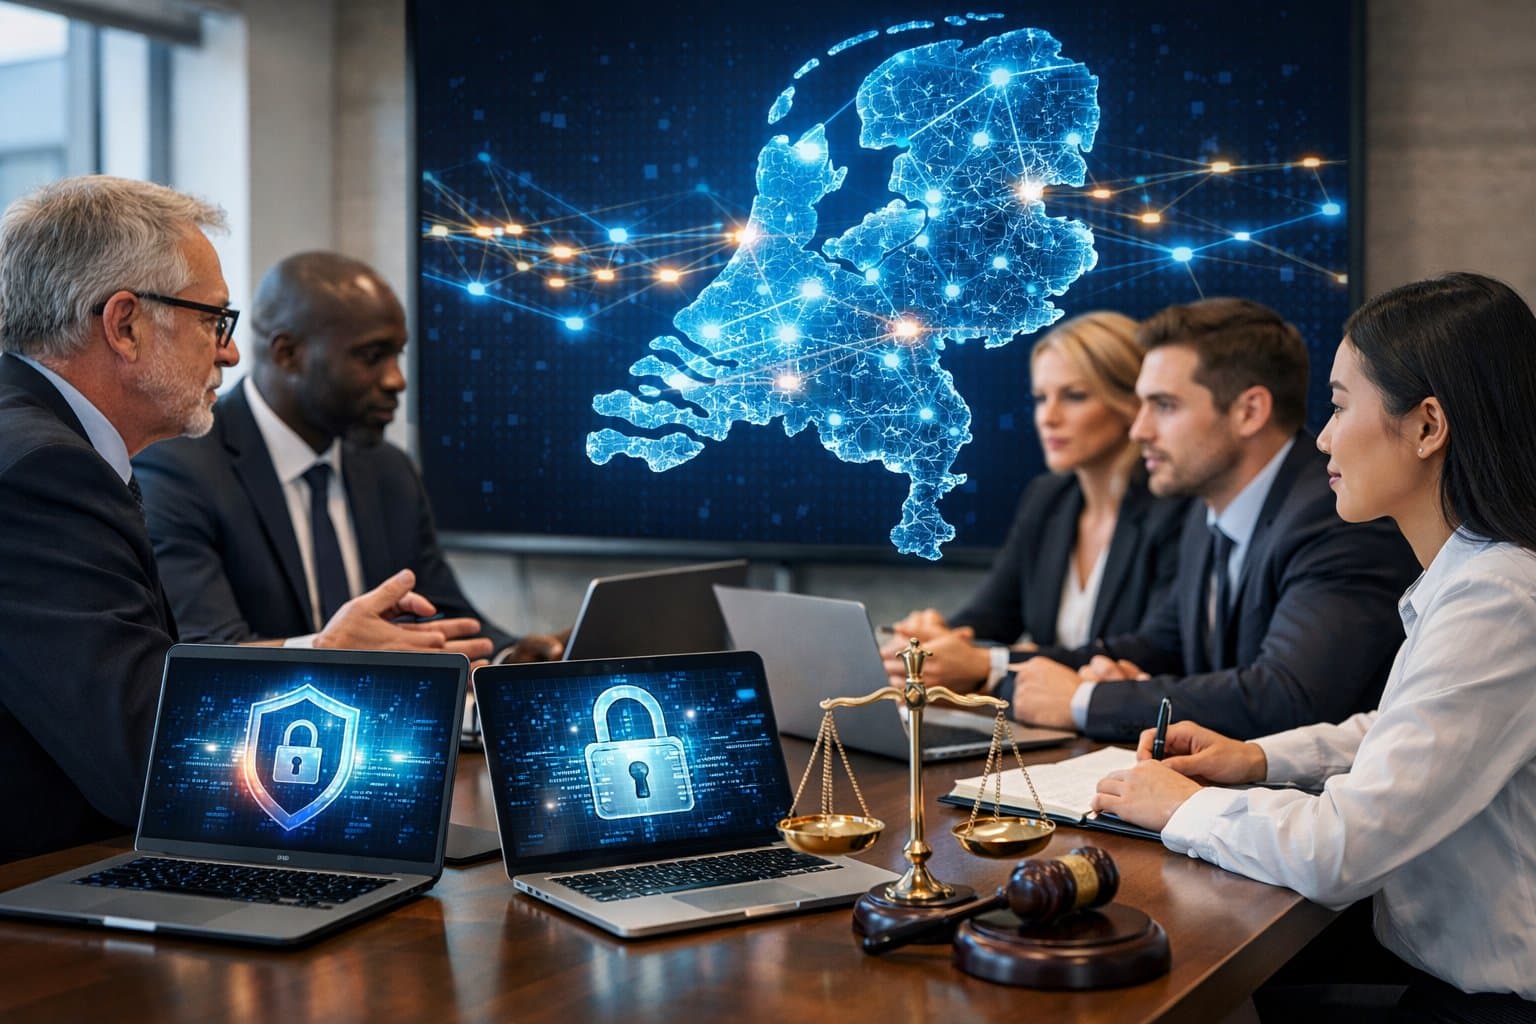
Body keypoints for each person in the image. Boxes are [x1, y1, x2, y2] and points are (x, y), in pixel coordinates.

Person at [0, 177, 491, 863]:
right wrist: (325, 666)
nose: (230, 353)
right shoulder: (42, 470)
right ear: (125, 325)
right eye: (213, 321)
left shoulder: (42, 446)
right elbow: (145, 750)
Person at [1094, 273, 1536, 1015]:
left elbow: (1339, 852)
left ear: (1428, 427)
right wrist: (1259, 758)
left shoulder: (1499, 597)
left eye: (1337, 406)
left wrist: (1181, 809)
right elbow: (1411, 727)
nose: (1323, 436)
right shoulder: (1475, 578)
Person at [1007, 298, 1418, 741]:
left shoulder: (1334, 514)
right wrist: (1109, 683)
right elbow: (1162, 645)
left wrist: (1083, 701)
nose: (1139, 430)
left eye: (1164, 406)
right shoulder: (1209, 506)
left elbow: (1287, 696)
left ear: (1249, 411)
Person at [133, 251, 562, 661]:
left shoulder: (388, 470)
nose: (396, 380)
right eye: (372, 357)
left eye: (397, 356)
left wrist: (514, 657)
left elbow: (442, 614)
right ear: (287, 354)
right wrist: (332, 652)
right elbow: (204, 653)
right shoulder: (177, 465)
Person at [882, 311, 1192, 693]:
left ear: (1133, 402)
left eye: (1074, 396)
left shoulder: (1179, 507)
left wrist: (989, 662)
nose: (1049, 417)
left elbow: (1156, 650)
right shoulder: (1048, 498)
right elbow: (993, 615)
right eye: (1041, 398)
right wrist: (936, 637)